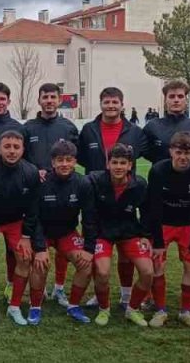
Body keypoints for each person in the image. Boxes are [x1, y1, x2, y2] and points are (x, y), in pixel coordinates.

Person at [77, 86, 145, 307]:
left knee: (126, 253)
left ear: (122, 104)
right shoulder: (88, 129)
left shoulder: (134, 131)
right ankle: (100, 294)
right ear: (101, 104)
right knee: (99, 249)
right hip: (98, 197)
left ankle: (126, 296)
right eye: (107, 102)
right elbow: (82, 159)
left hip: (124, 196)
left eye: (115, 102)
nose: (111, 106)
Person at [81, 143, 157, 327]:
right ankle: (104, 309)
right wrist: (89, 245)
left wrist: (146, 235)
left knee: (148, 272)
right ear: (107, 164)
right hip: (102, 233)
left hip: (128, 232)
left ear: (130, 165)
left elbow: (147, 212)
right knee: (103, 272)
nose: (118, 167)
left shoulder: (139, 184)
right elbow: (88, 215)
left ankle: (132, 309)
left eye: (123, 163)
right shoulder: (95, 181)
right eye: (114, 162)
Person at [144, 132, 190, 329]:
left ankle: (186, 312)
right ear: (171, 151)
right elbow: (153, 208)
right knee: (157, 266)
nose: (183, 157)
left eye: (187, 153)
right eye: (179, 152)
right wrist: (156, 240)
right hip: (163, 224)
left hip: (188, 225)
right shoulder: (158, 171)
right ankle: (161, 310)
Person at [22, 82, 79, 306]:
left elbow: (75, 156)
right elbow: (21, 157)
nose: (48, 101)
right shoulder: (28, 127)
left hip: (63, 188)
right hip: (37, 189)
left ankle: (59, 288)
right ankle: (41, 287)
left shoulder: (68, 127)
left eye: (53, 97)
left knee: (63, 237)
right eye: (45, 97)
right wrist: (35, 171)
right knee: (39, 235)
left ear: (59, 99)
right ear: (39, 100)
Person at [0, 130, 41, 326]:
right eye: (7, 147)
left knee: (24, 257)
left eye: (16, 147)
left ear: (23, 149)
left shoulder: (31, 172)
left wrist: (26, 236)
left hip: (14, 222)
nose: (11, 151)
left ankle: (14, 306)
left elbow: (33, 208)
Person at [32, 140, 95, 323]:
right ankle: (35, 307)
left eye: (69, 160)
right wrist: (39, 247)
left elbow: (89, 218)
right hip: (43, 231)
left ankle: (73, 306)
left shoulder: (83, 183)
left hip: (67, 232)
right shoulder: (42, 182)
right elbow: (33, 217)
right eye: (60, 160)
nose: (64, 164)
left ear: (75, 161)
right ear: (52, 162)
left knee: (86, 265)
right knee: (40, 264)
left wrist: (89, 249)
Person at [143, 79, 190, 165]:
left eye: (180, 96)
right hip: (160, 177)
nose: (176, 100)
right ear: (165, 100)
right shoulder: (152, 126)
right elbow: (143, 152)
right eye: (172, 96)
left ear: (186, 100)